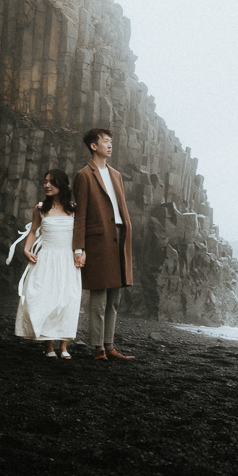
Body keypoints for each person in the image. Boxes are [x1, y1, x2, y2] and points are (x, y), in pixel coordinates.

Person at [72, 128, 135, 361]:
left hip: (120, 237)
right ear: (93, 146)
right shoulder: (84, 175)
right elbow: (80, 215)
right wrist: (79, 248)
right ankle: (98, 348)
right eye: (105, 141)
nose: (110, 145)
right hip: (98, 240)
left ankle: (109, 346)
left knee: (115, 297)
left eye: (111, 141)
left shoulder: (116, 174)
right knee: (99, 296)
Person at [12, 169, 80, 358]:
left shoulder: (74, 209)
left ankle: (64, 346)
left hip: (67, 260)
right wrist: (26, 249)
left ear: (63, 185)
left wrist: (81, 254)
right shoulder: (41, 208)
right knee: (45, 299)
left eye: (52, 182)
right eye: (45, 181)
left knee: (66, 300)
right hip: (46, 259)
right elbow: (33, 231)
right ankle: (48, 345)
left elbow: (79, 236)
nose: (47, 185)